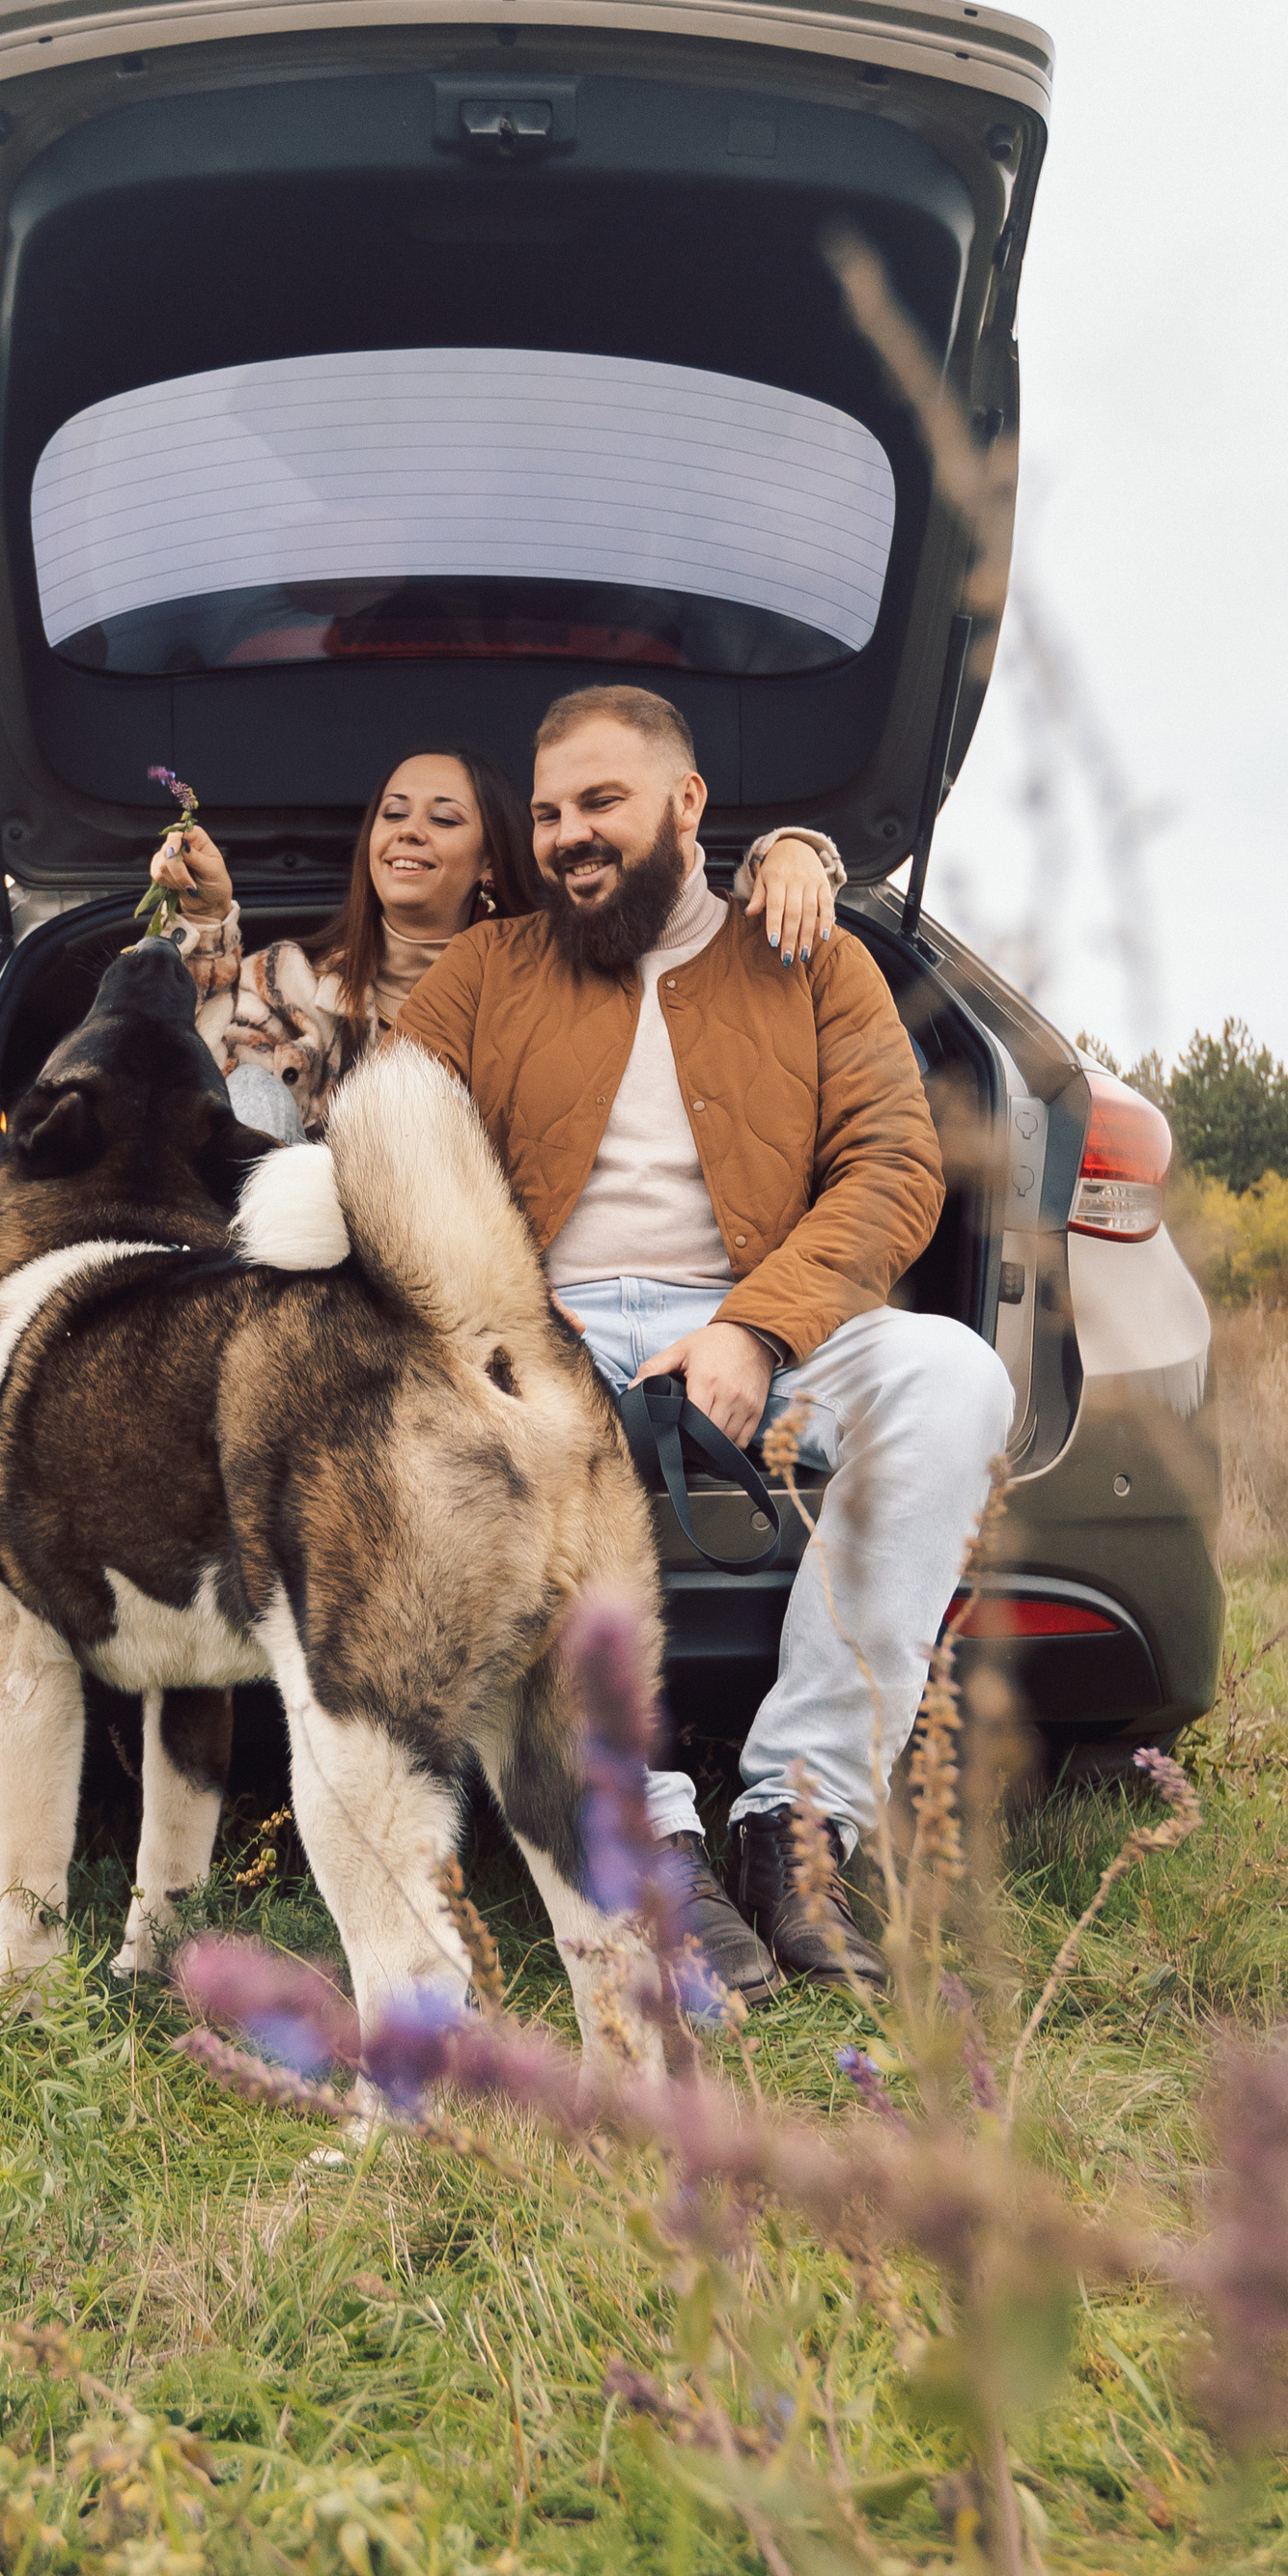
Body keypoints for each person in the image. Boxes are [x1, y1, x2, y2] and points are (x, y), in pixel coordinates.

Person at [393, 685, 1014, 2002]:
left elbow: (896, 1166)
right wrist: (503, 1309)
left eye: (600, 802)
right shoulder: (485, 971)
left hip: (764, 1313)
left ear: (688, 805)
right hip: (538, 1329)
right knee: (511, 1447)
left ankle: (796, 1829)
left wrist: (755, 1327)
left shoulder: (812, 957)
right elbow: (387, 1144)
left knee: (954, 1377)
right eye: (548, 813)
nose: (568, 835)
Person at [151, 747, 843, 1138]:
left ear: (489, 861)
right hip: (296, 1256)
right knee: (250, 1092)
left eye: (444, 819)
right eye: (394, 814)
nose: (409, 830)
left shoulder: (553, 972)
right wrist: (205, 922)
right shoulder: (288, 979)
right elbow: (188, 1078)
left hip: (467, 1260)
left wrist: (784, 853)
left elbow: (675, 921)